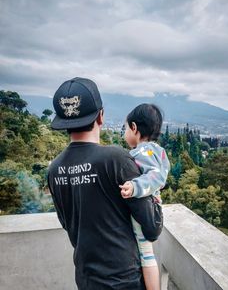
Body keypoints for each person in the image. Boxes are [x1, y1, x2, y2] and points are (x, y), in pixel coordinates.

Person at [47, 77, 163, 290]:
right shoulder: (115, 159)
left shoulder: (54, 169)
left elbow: (69, 223)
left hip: (86, 279)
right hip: (124, 281)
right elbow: (152, 228)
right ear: (101, 116)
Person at [120, 104, 170, 290]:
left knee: (146, 255)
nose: (125, 133)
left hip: (144, 211)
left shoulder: (143, 151)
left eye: (125, 128)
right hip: (150, 209)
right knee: (147, 255)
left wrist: (135, 187)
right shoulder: (157, 150)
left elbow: (157, 177)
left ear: (134, 128)